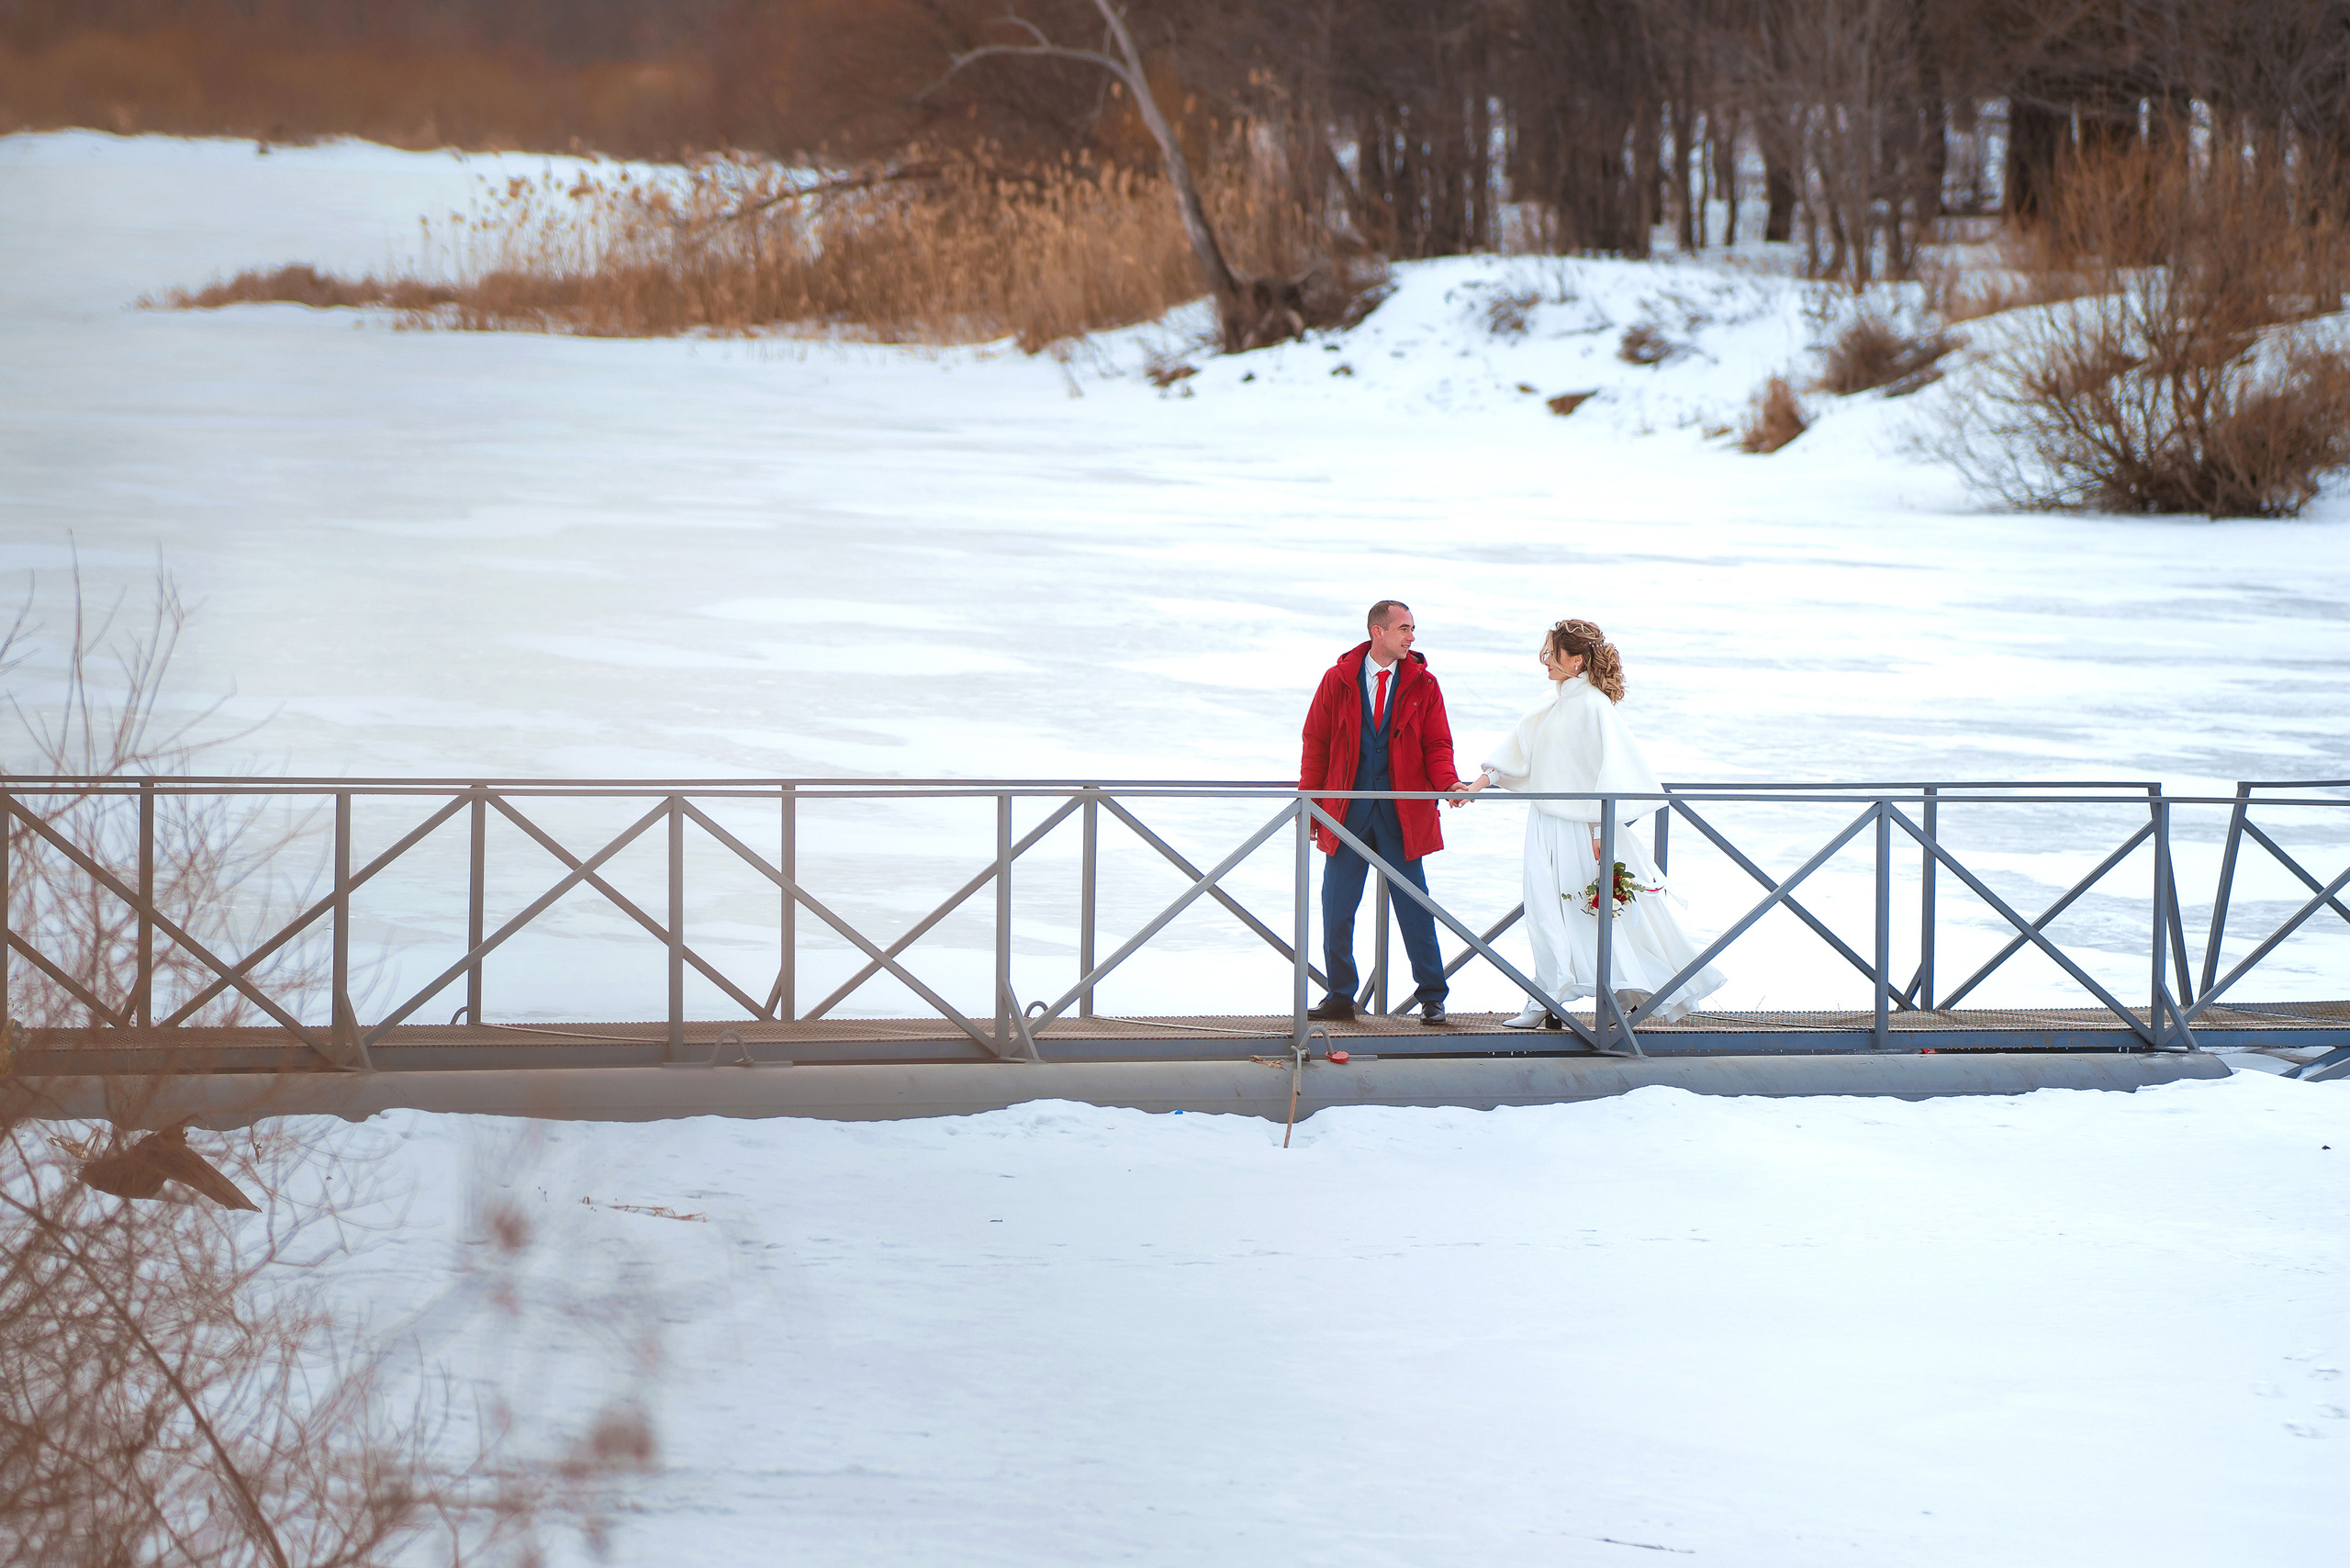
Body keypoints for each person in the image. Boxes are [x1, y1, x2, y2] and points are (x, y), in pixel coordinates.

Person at [1456, 618, 1725, 1027]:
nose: (1545, 661)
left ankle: (1612, 996)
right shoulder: (1552, 703)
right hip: (1545, 825)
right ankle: (1547, 998)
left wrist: (1600, 832)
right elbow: (1519, 752)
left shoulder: (1595, 706)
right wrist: (1476, 785)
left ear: (1577, 660)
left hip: (1585, 831)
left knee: (1594, 917)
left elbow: (1613, 771)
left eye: (1553, 654)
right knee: (1545, 912)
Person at [1298, 600, 1464, 1024]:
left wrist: (1449, 783)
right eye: (1405, 628)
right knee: (1336, 907)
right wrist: (1310, 804)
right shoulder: (1338, 680)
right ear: (1378, 631)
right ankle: (1339, 995)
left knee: (1415, 907)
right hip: (1347, 813)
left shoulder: (1425, 685)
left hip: (1401, 816)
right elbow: (1315, 745)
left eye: (1412, 629)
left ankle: (1432, 996)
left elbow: (1437, 745)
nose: (1412, 637)